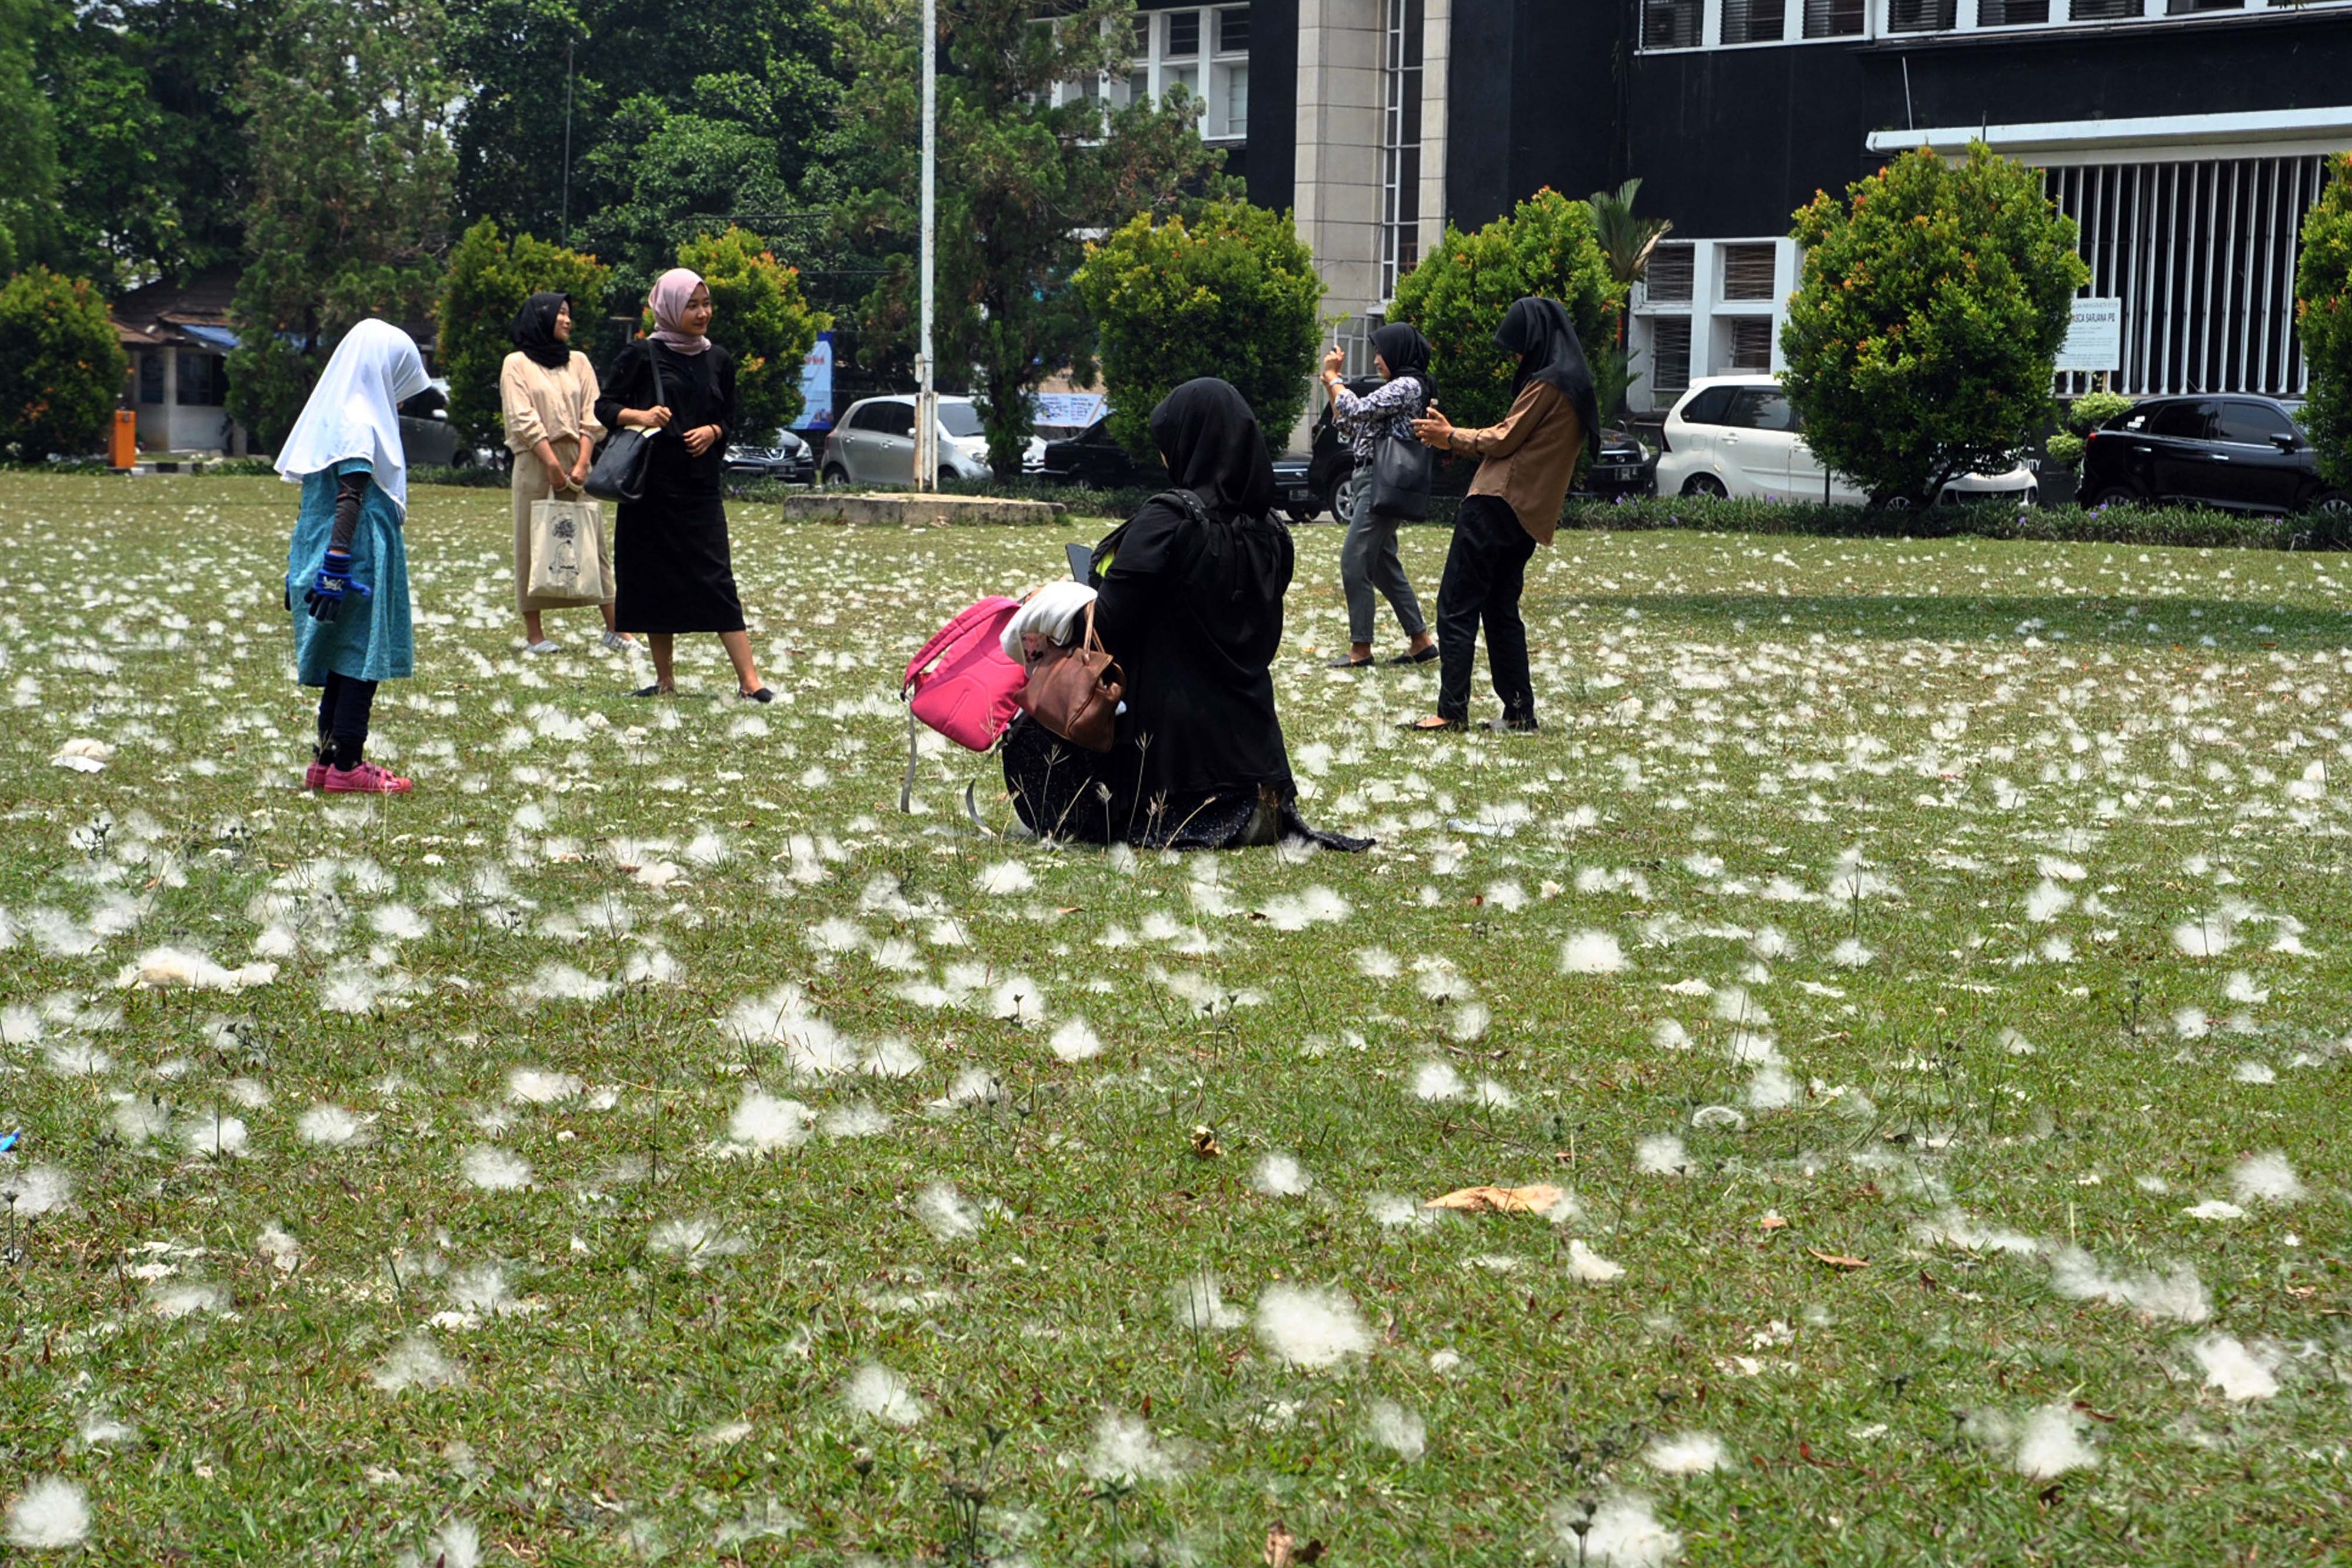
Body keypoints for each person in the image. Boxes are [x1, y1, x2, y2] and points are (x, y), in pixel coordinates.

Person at [998, 378, 1368, 851]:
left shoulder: (1168, 520)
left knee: (1033, 730)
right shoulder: (1274, 534)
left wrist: (1060, 602)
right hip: (1263, 787)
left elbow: (1107, 626)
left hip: (1178, 784)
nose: (1164, 457)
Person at [1407, 296, 1598, 733]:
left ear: (1535, 339)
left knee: (1457, 606)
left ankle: (1451, 711)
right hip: (1527, 516)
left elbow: (1504, 439)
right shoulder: (1575, 384)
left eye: (1517, 347)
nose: (1515, 356)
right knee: (1499, 610)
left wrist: (1448, 435)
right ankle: (1519, 712)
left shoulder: (1549, 382)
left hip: (1494, 505)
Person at [594, 268, 773, 701]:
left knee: (717, 579)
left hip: (699, 488)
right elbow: (604, 407)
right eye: (692, 305)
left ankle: (750, 682)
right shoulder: (641, 356)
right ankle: (665, 680)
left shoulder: (719, 359)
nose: (701, 313)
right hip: (649, 490)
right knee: (653, 580)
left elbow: (730, 417)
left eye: (706, 303)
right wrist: (642, 416)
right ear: (670, 307)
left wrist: (713, 432)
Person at [278, 319, 430, 793]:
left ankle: (324, 762)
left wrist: (305, 565)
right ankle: (350, 765)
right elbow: (351, 494)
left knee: (341, 657)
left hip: (323, 547)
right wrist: (338, 566)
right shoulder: (360, 419)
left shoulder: (330, 413)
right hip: (356, 555)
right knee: (361, 660)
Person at [501, 292, 630, 655]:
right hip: (535, 460)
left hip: (579, 457)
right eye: (560, 314)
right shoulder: (516, 363)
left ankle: (617, 629)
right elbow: (521, 416)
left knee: (592, 542)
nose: (567, 320)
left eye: (569, 314)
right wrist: (553, 466)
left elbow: (593, 411)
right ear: (541, 318)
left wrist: (582, 461)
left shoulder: (579, 361)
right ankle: (535, 634)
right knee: (534, 539)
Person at [1318, 323, 1438, 669]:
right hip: (1369, 479)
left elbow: (1355, 409)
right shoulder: (1400, 388)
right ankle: (1420, 641)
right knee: (1384, 565)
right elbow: (1348, 425)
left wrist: (1335, 378)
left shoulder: (1407, 385)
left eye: (1380, 352)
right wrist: (1331, 384)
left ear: (1398, 351)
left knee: (1354, 560)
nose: (1375, 360)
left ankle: (1361, 649)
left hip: (1380, 480)